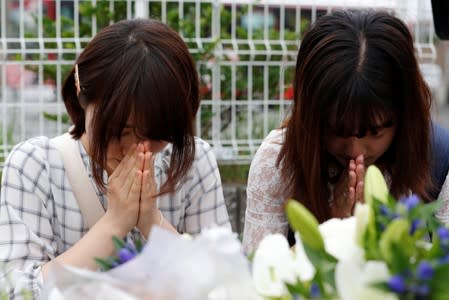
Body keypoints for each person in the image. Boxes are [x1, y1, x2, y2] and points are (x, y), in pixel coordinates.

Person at [0, 19, 230, 297]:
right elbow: (15, 291)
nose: (135, 148)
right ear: (80, 89)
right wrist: (115, 223)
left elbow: (224, 284)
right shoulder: (35, 165)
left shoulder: (195, 162)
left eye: (156, 135)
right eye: (119, 131)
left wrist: (151, 220)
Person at [242, 10, 449, 254]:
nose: (354, 150)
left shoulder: (437, 158)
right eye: (336, 131)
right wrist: (333, 230)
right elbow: (259, 276)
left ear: (405, 114)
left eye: (375, 132)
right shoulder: (278, 161)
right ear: (311, 116)